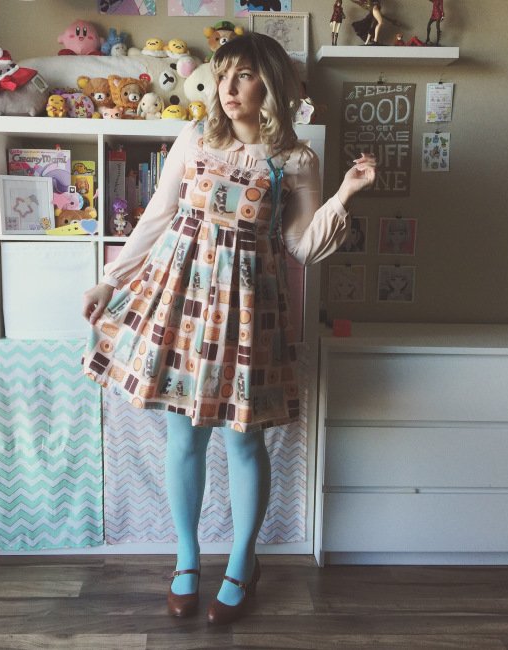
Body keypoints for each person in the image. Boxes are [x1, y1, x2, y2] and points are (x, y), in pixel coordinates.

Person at [81, 32, 376, 625]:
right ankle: (187, 558)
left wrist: (345, 194)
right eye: (223, 75)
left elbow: (301, 247)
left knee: (243, 440)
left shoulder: (295, 159)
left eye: (243, 75)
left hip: (248, 313)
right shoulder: (194, 137)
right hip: (179, 302)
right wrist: (110, 280)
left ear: (271, 84)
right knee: (184, 437)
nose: (228, 87)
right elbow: (157, 217)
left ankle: (243, 559)